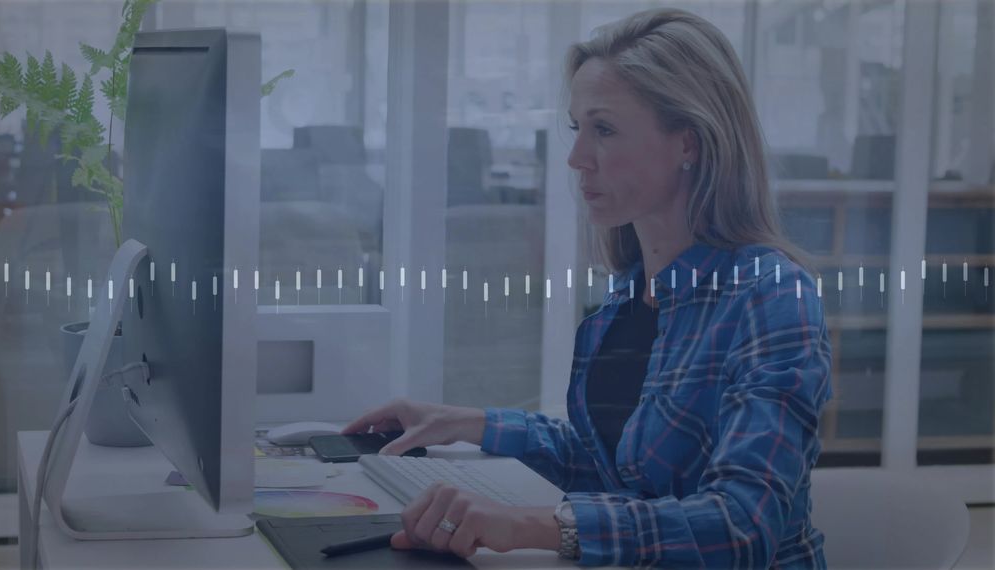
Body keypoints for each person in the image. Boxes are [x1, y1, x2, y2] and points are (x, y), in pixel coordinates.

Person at [343, 8, 831, 568]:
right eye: (578, 129)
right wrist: (465, 422)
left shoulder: (770, 295)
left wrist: (524, 525)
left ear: (688, 144)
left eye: (604, 129)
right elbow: (616, 465)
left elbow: (742, 527)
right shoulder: (627, 297)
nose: (576, 160)